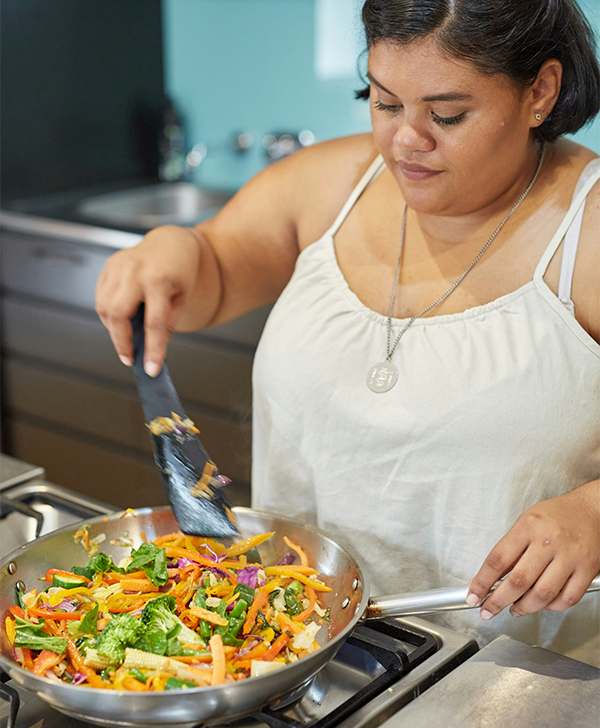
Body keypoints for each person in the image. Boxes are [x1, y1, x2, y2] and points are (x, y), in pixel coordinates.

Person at [96, 0, 600, 658]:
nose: (405, 141)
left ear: (540, 91)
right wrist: (173, 254)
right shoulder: (333, 181)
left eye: (447, 115)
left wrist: (593, 512)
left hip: (512, 678)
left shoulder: (584, 230)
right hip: (297, 649)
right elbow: (216, 265)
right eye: (386, 102)